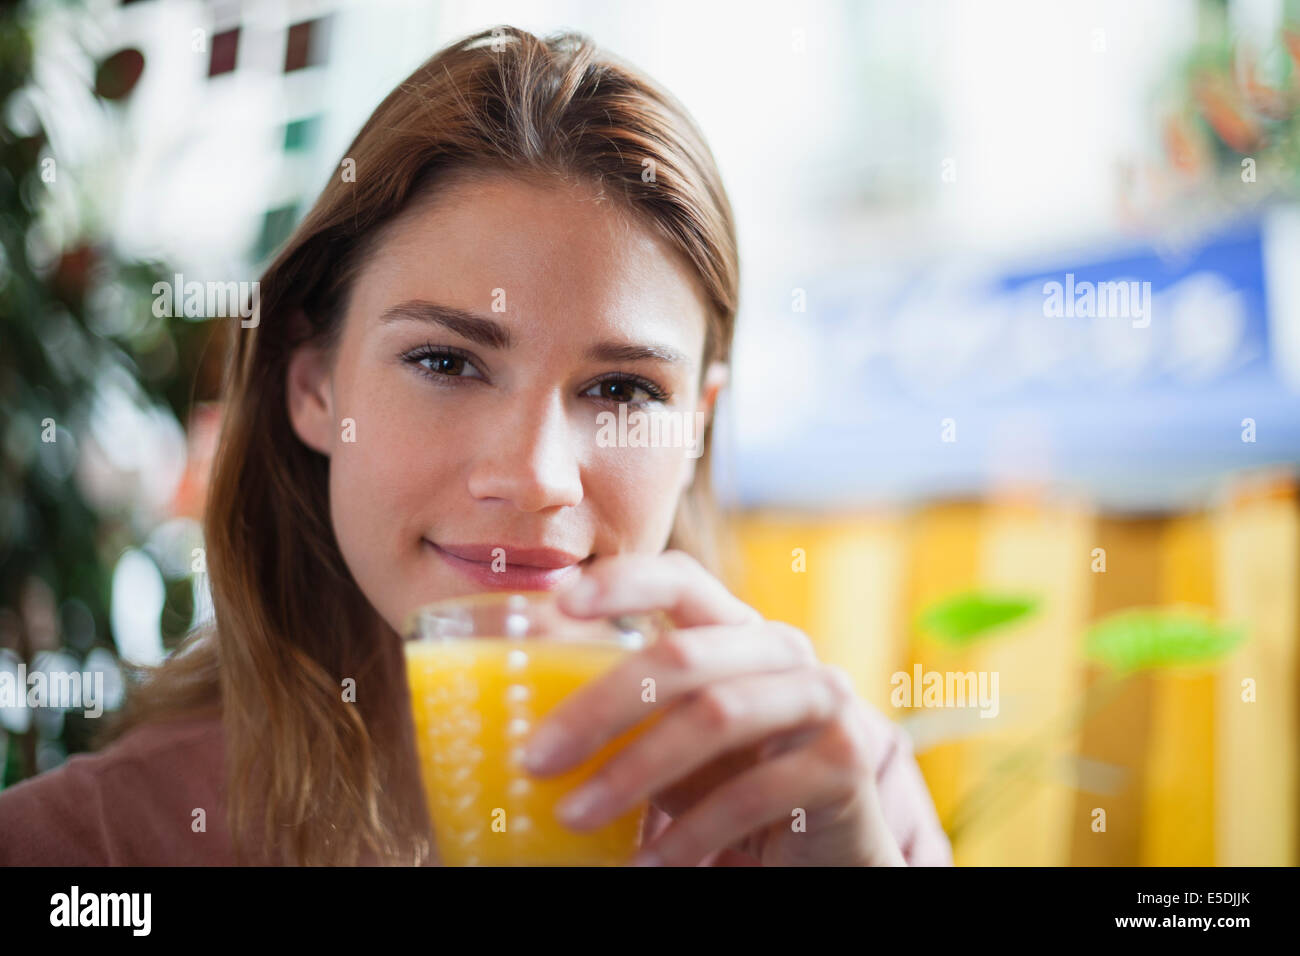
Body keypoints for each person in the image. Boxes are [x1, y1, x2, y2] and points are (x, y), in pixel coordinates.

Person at [0, 25, 952, 867]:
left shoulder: (841, 802)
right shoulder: (78, 849)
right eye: (446, 362)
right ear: (312, 387)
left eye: (623, 389)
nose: (536, 478)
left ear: (696, 424)